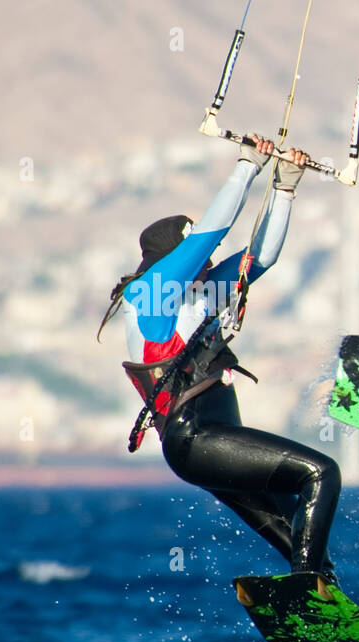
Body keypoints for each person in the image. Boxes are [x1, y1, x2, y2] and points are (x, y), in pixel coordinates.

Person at [98, 135, 341, 581]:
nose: (209, 262)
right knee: (322, 474)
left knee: (299, 533)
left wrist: (284, 188)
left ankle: (321, 597)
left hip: (218, 440)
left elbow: (259, 259)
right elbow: (214, 231)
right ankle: (307, 587)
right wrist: (247, 165)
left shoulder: (201, 294)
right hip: (197, 439)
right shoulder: (151, 293)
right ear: (173, 259)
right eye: (199, 258)